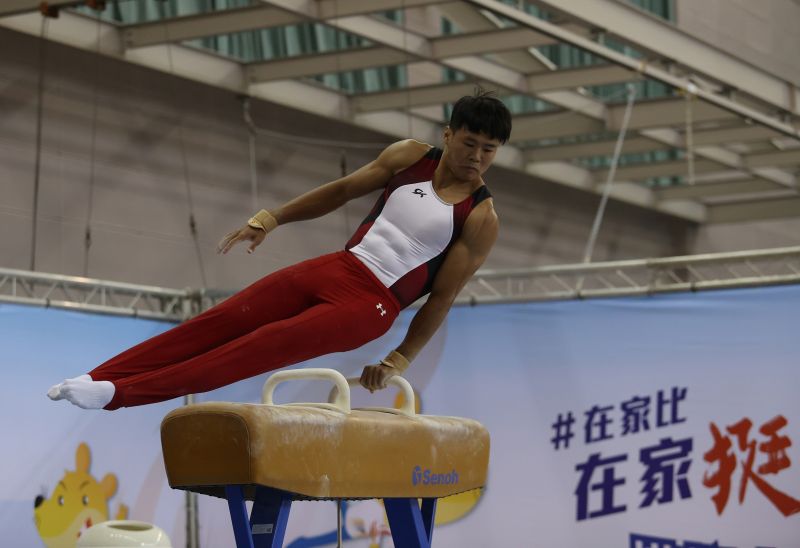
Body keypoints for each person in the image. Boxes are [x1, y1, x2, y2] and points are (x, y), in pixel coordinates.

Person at [47, 91, 512, 410]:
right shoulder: (410, 155)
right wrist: (272, 217)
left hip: (372, 305)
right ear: (449, 134)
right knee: (224, 319)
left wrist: (399, 359)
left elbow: (443, 298)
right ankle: (99, 374)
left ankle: (119, 394)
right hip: (339, 266)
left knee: (257, 348)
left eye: (488, 150)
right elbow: (341, 190)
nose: (476, 157)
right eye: (469, 143)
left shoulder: (480, 216)